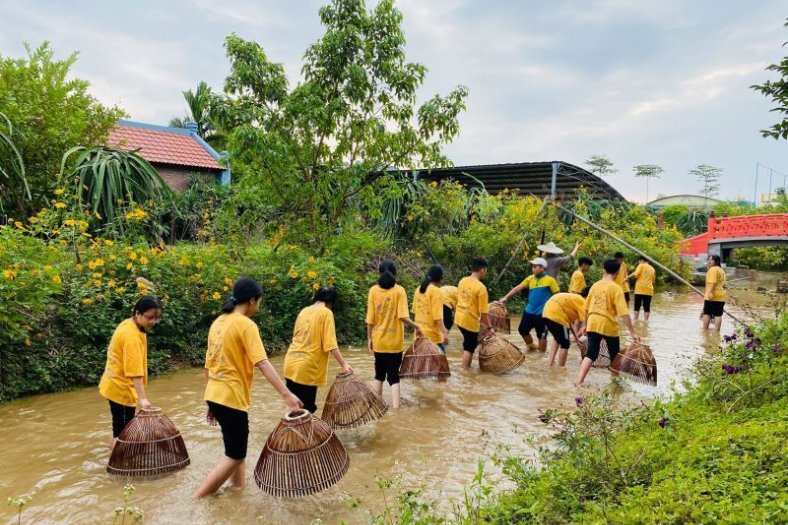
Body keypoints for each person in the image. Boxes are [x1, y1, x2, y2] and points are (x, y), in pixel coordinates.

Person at [196, 278, 302, 499]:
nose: (258, 306)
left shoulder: (218, 322)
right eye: (259, 302)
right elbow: (262, 362)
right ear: (252, 300)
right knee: (235, 455)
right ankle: (199, 497)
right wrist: (287, 395)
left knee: (237, 451)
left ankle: (238, 492)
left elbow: (208, 365)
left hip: (216, 395)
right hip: (230, 397)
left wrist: (210, 402)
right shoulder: (245, 325)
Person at [99, 295, 162, 442]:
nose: (153, 322)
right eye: (150, 317)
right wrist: (143, 399)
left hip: (115, 383)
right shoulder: (131, 335)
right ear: (138, 313)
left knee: (121, 426)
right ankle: (118, 459)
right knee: (123, 430)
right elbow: (135, 372)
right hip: (119, 387)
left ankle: (117, 452)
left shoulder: (130, 324)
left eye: (157, 318)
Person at [283, 286, 352, 413]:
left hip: (290, 363)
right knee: (306, 411)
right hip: (307, 367)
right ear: (331, 302)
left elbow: (296, 336)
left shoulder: (304, 311)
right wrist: (344, 365)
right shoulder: (326, 313)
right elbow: (330, 344)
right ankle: (303, 433)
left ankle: (287, 433)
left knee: (293, 408)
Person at [366, 260, 423, 409]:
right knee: (393, 376)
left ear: (379, 273)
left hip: (378, 340)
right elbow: (403, 317)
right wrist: (417, 326)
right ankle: (396, 409)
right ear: (395, 274)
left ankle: (376, 407)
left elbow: (370, 319)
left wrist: (369, 338)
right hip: (394, 342)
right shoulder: (399, 291)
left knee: (379, 374)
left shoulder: (373, 291)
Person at [575, 259, 640, 386]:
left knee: (591, 354)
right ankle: (615, 384)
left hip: (593, 323)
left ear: (604, 270)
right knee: (615, 357)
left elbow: (587, 307)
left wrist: (585, 325)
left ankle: (579, 381)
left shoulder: (595, 285)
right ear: (618, 271)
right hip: (608, 325)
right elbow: (624, 313)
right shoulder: (616, 288)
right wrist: (633, 333)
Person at [499, 257, 560, 352]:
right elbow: (517, 288)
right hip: (529, 311)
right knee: (522, 330)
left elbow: (557, 296)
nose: (533, 268)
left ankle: (541, 356)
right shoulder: (530, 279)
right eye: (533, 266)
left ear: (542, 268)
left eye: (536, 266)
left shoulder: (550, 280)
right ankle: (531, 347)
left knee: (542, 335)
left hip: (543, 313)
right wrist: (506, 297)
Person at [455, 257, 494, 369]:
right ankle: (465, 371)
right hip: (469, 321)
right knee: (470, 347)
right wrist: (490, 328)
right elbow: (484, 313)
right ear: (482, 270)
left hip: (458, 318)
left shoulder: (462, 280)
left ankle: (464, 365)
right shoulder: (481, 288)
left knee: (469, 341)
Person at [543, 292, 587, 366]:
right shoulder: (582, 301)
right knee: (565, 344)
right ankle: (561, 367)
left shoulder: (573, 300)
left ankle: (550, 361)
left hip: (546, 313)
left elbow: (568, 325)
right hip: (557, 314)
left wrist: (576, 338)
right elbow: (585, 324)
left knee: (557, 338)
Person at [413, 265, 449, 352]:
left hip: (418, 337)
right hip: (433, 339)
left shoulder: (418, 290)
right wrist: (445, 334)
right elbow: (438, 319)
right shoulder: (436, 292)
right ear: (439, 278)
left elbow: (415, 312)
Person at [702, 254, 727, 331]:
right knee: (718, 314)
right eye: (708, 259)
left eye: (711, 260)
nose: (709, 261)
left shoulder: (713, 269)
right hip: (721, 296)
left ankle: (705, 330)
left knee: (707, 313)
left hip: (712, 296)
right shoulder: (721, 270)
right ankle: (717, 332)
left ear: (717, 261)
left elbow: (712, 283)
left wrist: (709, 293)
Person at [628, 255, 657, 321]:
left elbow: (635, 274)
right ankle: (646, 322)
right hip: (649, 290)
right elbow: (653, 281)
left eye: (639, 261)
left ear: (642, 260)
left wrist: (628, 277)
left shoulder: (641, 265)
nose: (639, 262)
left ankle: (635, 320)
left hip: (639, 290)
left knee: (637, 307)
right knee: (647, 307)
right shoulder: (652, 269)